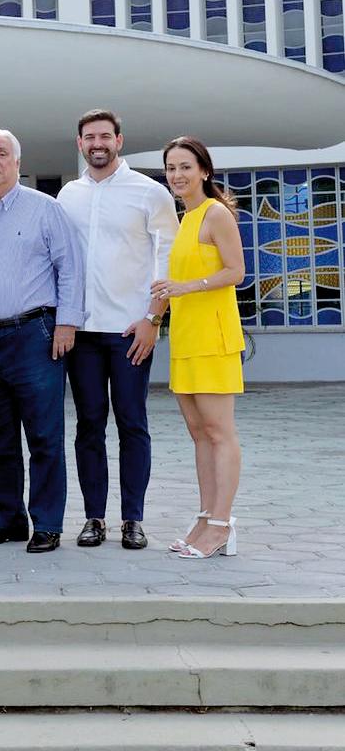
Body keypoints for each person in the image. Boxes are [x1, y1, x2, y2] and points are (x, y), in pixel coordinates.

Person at [57, 109, 179, 550]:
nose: (98, 143)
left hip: (132, 331)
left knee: (132, 423)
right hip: (83, 333)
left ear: (119, 141)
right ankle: (94, 518)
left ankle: (133, 519)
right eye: (90, 137)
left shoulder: (150, 193)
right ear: (79, 144)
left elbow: (168, 261)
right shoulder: (67, 195)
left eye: (105, 136)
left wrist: (153, 318)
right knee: (88, 425)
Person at [0, 128, 85, 554]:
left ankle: (47, 523)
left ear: (17, 161)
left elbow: (70, 267)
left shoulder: (45, 209)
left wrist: (67, 323)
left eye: (1, 154)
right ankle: (8, 520)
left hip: (34, 336)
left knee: (44, 437)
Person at [152, 136, 245, 560]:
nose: (177, 175)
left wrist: (185, 286)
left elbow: (237, 271)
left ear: (204, 170)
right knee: (199, 434)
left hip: (213, 337)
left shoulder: (215, 213)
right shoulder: (185, 218)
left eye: (185, 166)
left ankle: (222, 525)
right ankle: (206, 517)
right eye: (171, 168)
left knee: (219, 433)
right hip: (186, 338)